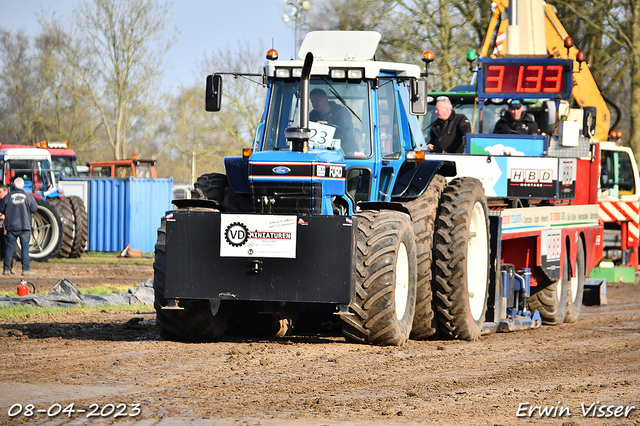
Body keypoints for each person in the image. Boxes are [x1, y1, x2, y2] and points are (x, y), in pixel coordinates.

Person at [0, 178, 38, 276]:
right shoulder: (28, 197)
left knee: (9, 247)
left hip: (11, 226)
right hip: (25, 226)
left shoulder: (8, 197)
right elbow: (34, 208)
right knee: (25, 248)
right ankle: (25, 270)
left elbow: (1, 209)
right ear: (23, 186)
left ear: (13, 185)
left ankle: (6, 269)